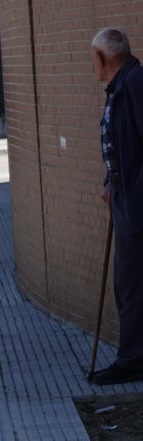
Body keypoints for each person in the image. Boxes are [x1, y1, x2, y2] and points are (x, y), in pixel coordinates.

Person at [90, 27, 143, 384]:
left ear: (100, 58)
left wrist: (133, 191)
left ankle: (133, 359)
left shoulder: (136, 83)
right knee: (129, 281)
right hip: (126, 196)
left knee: (132, 282)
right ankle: (133, 356)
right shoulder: (122, 85)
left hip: (137, 200)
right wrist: (112, 182)